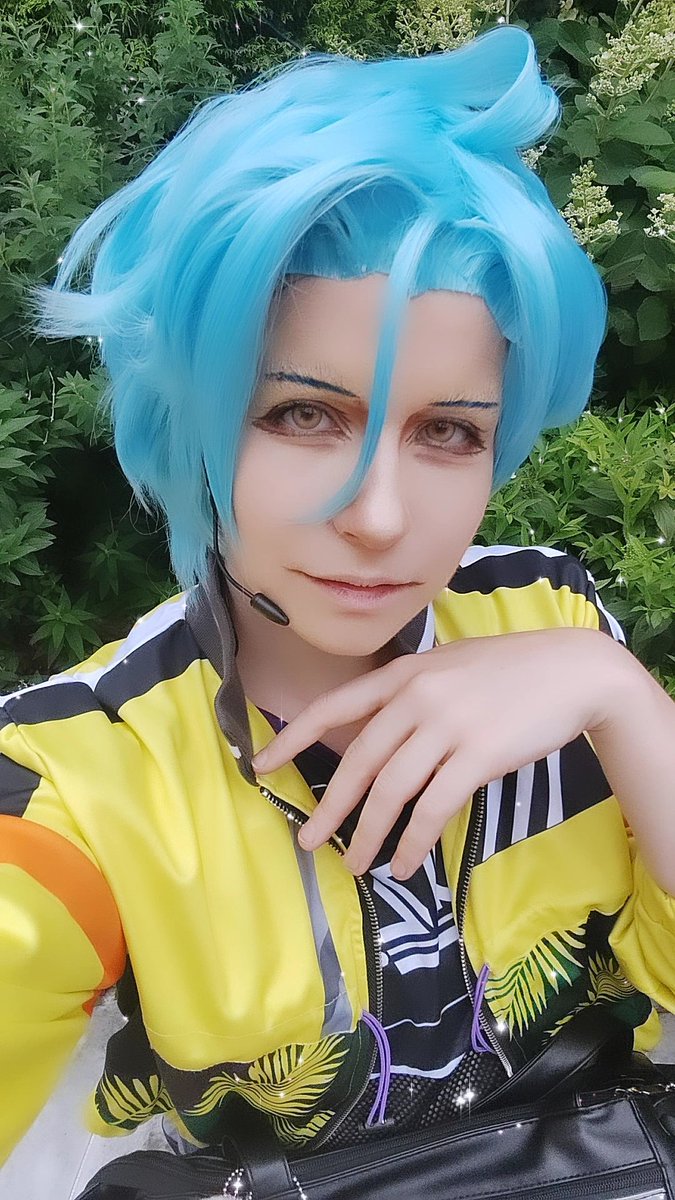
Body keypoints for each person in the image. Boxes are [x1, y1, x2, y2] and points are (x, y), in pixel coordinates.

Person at [2, 22, 675, 1185]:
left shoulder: (547, 621)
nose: (379, 516)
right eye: (303, 415)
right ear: (194, 419)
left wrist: (620, 697)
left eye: (447, 431)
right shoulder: (82, 776)